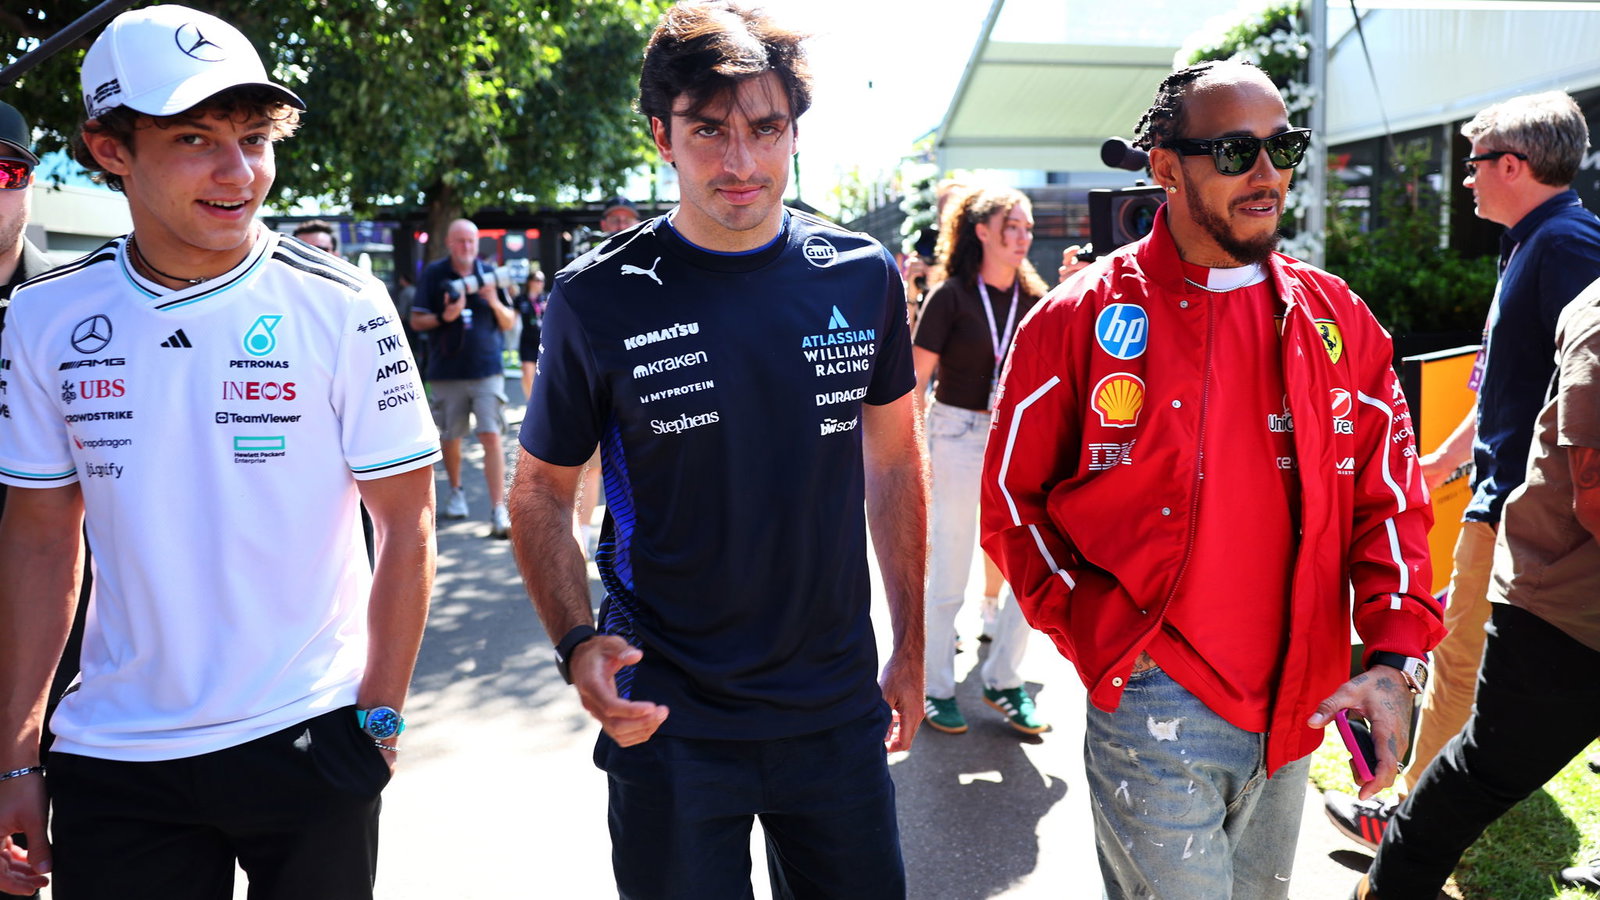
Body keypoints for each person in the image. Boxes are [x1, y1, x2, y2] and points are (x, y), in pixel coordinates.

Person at [0, 6, 439, 897]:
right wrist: (16, 753)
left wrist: (380, 716)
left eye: (252, 137)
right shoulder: (41, 317)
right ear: (108, 149)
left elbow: (406, 523)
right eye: (196, 138)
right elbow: (44, 538)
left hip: (310, 735)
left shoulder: (345, 303)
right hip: (113, 756)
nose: (239, 172)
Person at [979, 59, 1443, 899]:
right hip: (1156, 702)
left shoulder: (1340, 318)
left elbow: (1391, 501)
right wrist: (1100, 631)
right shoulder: (1076, 320)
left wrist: (1394, 656)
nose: (1267, 174)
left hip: (1298, 705)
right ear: (1165, 168)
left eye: (1282, 147)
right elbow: (1013, 503)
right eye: (1235, 152)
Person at [507, 3, 927, 896]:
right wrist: (577, 643)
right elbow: (540, 490)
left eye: (766, 129)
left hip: (833, 711)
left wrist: (913, 645)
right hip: (667, 717)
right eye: (709, 130)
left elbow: (892, 463)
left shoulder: (862, 274)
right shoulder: (597, 297)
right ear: (662, 135)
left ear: (794, 134)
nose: (741, 162)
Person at [1324, 89, 1600, 848]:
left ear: (1513, 165)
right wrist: (1442, 462)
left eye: (1474, 165)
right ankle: (1412, 813)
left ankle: (1403, 820)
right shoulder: (1534, 239)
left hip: (1526, 510)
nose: (1467, 180)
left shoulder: (1568, 245)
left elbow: (1587, 389)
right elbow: (1505, 382)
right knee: (1456, 659)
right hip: (1500, 497)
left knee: (1457, 665)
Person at [1351, 277, 1600, 898]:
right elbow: (1593, 490)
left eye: (1474, 166)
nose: (1468, 178)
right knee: (1481, 770)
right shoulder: (1585, 295)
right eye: (1467, 166)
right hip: (1567, 610)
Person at [914, 185, 1048, 736]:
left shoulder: (1037, 297)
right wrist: (910, 456)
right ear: (982, 233)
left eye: (1027, 227)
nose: (1022, 236)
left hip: (1017, 439)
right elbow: (915, 380)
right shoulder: (951, 296)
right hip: (957, 431)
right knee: (950, 562)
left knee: (1030, 565)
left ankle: (1004, 679)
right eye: (1011, 226)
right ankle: (935, 687)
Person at [409, 218, 516, 538]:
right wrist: (445, 316)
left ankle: (499, 508)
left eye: (470, 241)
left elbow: (509, 322)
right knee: (451, 437)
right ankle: (456, 492)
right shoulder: (435, 274)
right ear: (450, 243)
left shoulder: (490, 274)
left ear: (477, 243)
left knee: (491, 435)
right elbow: (416, 321)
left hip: (487, 370)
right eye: (460, 241)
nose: (466, 247)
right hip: (447, 372)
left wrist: (494, 300)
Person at [516, 268, 545, 403]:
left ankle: (540, 404)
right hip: (527, 341)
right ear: (530, 282)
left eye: (542, 281)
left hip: (543, 341)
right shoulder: (521, 299)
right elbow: (511, 318)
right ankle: (531, 404)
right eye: (537, 280)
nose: (540, 283)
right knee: (527, 374)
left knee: (542, 375)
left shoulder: (546, 298)